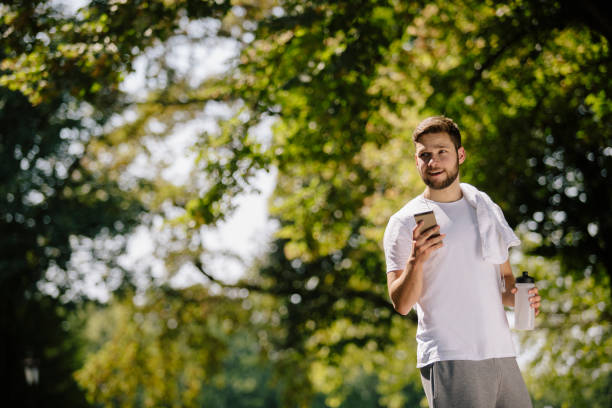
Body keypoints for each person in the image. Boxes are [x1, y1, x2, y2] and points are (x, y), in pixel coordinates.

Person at [383, 116, 541, 407]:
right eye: (424, 155)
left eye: (442, 151)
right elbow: (402, 303)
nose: (433, 161)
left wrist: (521, 298)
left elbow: (505, 282)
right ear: (416, 161)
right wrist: (416, 260)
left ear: (460, 154)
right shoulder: (405, 221)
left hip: (502, 353)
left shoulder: (484, 208)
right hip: (450, 356)